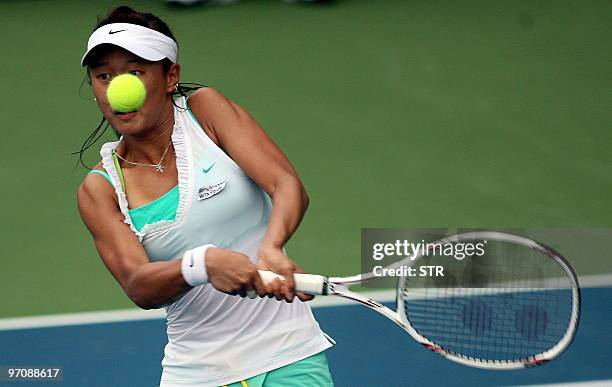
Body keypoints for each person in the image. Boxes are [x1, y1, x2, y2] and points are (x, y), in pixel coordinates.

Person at [76, 6, 334, 387]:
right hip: (197, 375)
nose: (117, 87)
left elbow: (286, 184)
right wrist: (201, 264)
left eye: (135, 71)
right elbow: (138, 284)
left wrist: (273, 248)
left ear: (170, 77)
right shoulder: (99, 189)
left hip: (288, 355)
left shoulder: (206, 111)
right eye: (104, 75)